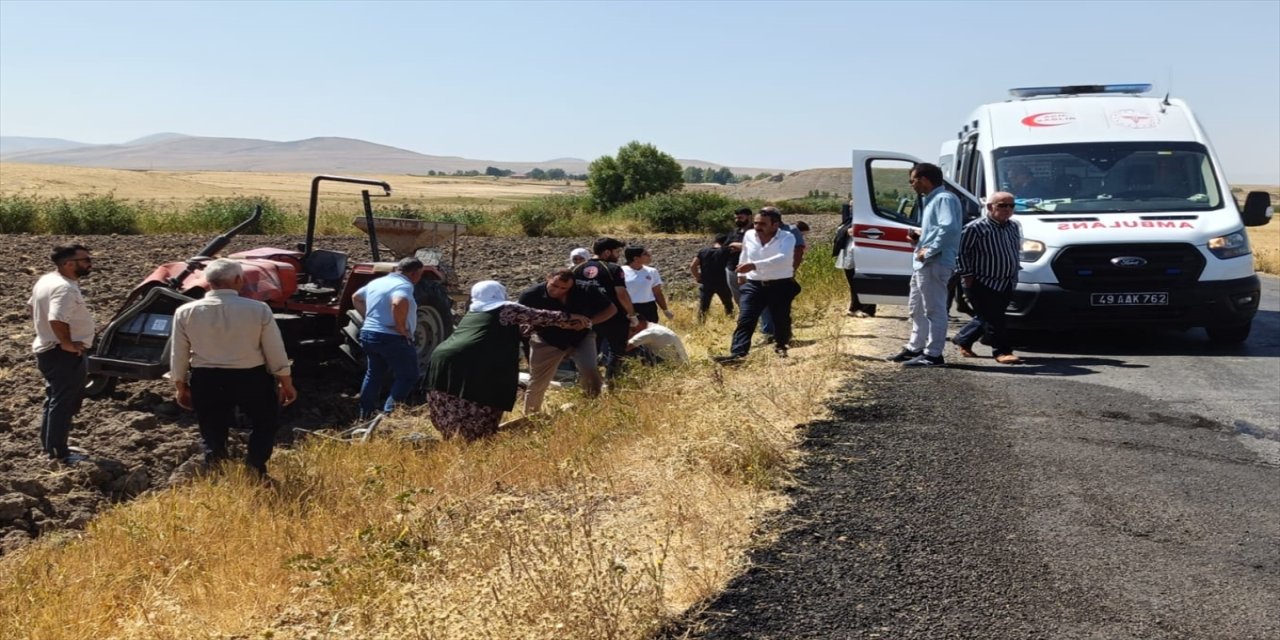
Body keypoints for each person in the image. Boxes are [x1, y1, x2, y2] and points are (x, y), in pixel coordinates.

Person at [170, 259, 297, 477]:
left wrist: (180, 386)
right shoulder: (258, 310)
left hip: (206, 377)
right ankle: (255, 467)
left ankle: (216, 470)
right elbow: (275, 351)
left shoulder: (185, 311)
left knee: (212, 427)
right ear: (238, 280)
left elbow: (179, 354)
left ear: (208, 281)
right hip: (251, 377)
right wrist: (286, 383)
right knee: (265, 422)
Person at [426, 280, 588, 440]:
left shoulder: (475, 311)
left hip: (443, 358)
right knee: (479, 399)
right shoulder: (505, 309)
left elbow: (514, 330)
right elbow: (539, 315)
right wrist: (572, 318)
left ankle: (457, 438)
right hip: (471, 361)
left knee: (451, 399)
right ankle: (475, 437)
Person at [886, 162, 962, 367]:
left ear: (924, 180)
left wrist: (929, 249)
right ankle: (915, 347)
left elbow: (949, 228)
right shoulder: (933, 200)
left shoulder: (943, 198)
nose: (912, 185)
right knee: (916, 307)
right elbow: (940, 229)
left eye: (913, 180)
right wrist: (920, 239)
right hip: (925, 264)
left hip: (934, 263)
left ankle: (933, 354)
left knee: (934, 309)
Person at [28, 243, 96, 464]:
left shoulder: (47, 280)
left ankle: (52, 446)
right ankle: (59, 453)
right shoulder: (64, 288)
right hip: (61, 354)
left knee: (54, 399)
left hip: (48, 349)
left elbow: (33, 307)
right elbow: (56, 318)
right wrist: (67, 344)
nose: (90, 263)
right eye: (85, 260)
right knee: (63, 402)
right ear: (68, 264)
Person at [518, 269, 617, 413]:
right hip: (547, 340)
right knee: (538, 380)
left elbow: (611, 309)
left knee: (590, 370)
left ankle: (591, 405)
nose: (557, 291)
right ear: (548, 278)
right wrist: (559, 323)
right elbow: (525, 322)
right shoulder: (530, 295)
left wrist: (589, 322)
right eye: (554, 286)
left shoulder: (586, 291)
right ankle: (531, 416)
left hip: (581, 336)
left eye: (564, 288)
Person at [714, 208, 800, 362]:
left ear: (776, 224)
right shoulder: (749, 235)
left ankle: (781, 346)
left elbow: (783, 258)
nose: (758, 227)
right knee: (746, 319)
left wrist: (754, 265)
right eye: (755, 223)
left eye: (763, 224)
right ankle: (738, 354)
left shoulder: (787, 237)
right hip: (754, 285)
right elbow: (745, 253)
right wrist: (741, 274)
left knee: (781, 319)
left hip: (780, 285)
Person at [952, 192, 1025, 364]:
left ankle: (963, 339)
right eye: (1002, 205)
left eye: (1011, 206)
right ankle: (1002, 351)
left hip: (1006, 280)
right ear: (990, 207)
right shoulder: (975, 228)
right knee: (994, 319)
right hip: (982, 281)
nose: (1007, 209)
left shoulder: (1013, 226)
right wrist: (967, 275)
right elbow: (960, 252)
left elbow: (1014, 250)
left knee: (990, 315)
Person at [353, 257, 426, 419]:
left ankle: (365, 415)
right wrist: (401, 328)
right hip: (392, 338)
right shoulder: (404, 285)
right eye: (420, 275)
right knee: (409, 376)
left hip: (369, 334)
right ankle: (389, 414)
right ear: (414, 273)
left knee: (374, 374)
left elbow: (356, 298)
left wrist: (369, 318)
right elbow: (398, 302)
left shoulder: (377, 282)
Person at [573, 237, 638, 379]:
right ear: (607, 253)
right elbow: (621, 294)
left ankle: (586, 381)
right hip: (614, 318)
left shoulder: (578, 268)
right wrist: (632, 315)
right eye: (617, 251)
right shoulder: (613, 269)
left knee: (589, 351)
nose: (619, 255)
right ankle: (611, 382)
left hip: (588, 318)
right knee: (617, 350)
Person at [759, 212, 808, 342]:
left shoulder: (791, 230)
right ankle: (768, 333)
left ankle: (783, 335)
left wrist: (792, 271)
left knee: (781, 305)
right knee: (764, 304)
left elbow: (798, 251)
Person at [833, 207, 876, 318]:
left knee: (866, 283)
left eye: (854, 207)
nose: (852, 209)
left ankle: (866, 309)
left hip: (863, 255)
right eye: (851, 207)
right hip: (850, 256)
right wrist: (847, 231)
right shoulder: (849, 221)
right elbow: (839, 231)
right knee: (854, 284)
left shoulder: (870, 220)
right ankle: (855, 307)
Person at [622, 246, 673, 324]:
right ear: (636, 258)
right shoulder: (621, 271)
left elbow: (657, 292)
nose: (649, 256)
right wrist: (631, 314)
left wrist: (665, 310)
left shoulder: (652, 271)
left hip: (649, 307)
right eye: (645, 254)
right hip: (629, 308)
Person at [690, 233, 734, 321]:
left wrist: (698, 277)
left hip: (706, 282)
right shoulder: (727, 251)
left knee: (703, 306)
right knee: (728, 304)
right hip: (722, 282)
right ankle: (730, 321)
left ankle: (700, 325)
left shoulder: (703, 251)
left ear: (715, 241)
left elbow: (693, 266)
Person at [724, 207, 753, 305]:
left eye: (740, 218)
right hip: (732, 269)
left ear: (749, 217)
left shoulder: (756, 231)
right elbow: (727, 246)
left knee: (752, 296)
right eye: (736, 218)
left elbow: (756, 247)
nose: (737, 220)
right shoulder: (734, 232)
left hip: (750, 270)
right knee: (737, 297)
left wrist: (740, 246)